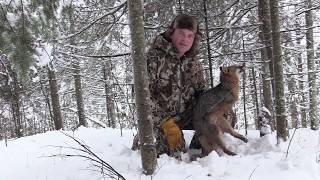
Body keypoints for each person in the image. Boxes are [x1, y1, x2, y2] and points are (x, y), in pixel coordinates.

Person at [131, 14, 207, 158]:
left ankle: (199, 145)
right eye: (181, 34)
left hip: (185, 116)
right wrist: (166, 123)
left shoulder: (193, 62)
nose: (185, 40)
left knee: (223, 115)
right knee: (169, 150)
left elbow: (202, 93)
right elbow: (142, 98)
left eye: (190, 36)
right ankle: (143, 139)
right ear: (171, 32)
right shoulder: (153, 57)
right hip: (160, 119)